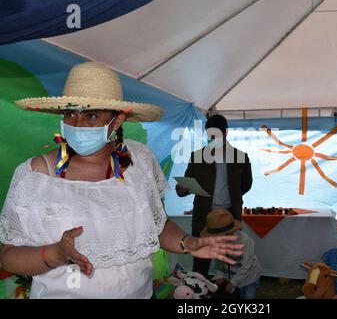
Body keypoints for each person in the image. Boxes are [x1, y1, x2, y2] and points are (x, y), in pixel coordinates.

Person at [0, 62, 243, 298]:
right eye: (70, 114)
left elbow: (156, 226)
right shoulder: (37, 175)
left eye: (91, 115)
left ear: (117, 121)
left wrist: (187, 243)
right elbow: (9, 255)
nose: (78, 124)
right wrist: (54, 254)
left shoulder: (140, 161)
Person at [176, 115, 252, 277]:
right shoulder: (197, 157)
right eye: (210, 135)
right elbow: (185, 185)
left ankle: (230, 293)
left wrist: (232, 198)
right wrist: (182, 188)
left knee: (231, 260)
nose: (212, 139)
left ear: (226, 133)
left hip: (229, 217)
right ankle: (199, 291)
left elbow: (246, 185)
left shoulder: (241, 157)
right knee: (201, 261)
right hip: (204, 216)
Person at [201, 208, 261, 299]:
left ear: (229, 234)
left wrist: (233, 282)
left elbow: (246, 266)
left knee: (248, 295)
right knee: (234, 294)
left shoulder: (246, 241)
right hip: (232, 275)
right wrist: (219, 275)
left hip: (249, 276)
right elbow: (218, 262)